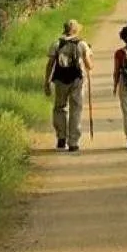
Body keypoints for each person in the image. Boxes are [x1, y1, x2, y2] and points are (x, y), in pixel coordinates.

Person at [44, 19, 93, 152]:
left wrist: (47, 81)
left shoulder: (56, 43)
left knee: (59, 107)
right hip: (77, 80)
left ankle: (61, 138)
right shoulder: (81, 44)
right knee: (76, 109)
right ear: (76, 30)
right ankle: (73, 142)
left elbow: (50, 64)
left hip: (60, 80)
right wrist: (89, 58)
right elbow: (89, 66)